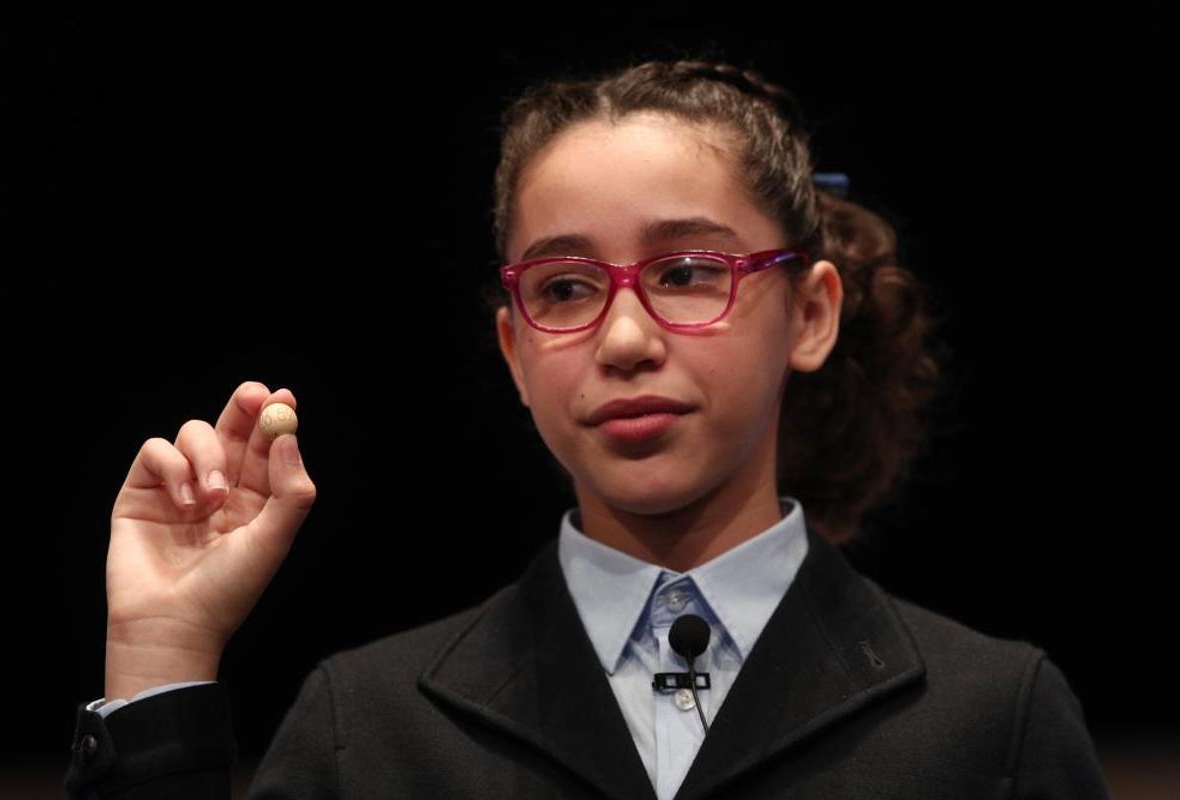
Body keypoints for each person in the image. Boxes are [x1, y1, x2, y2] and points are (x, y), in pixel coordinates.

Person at [65, 58, 1111, 799]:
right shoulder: (367, 729)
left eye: (687, 271)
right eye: (564, 287)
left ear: (811, 314)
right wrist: (161, 651)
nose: (623, 338)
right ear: (516, 350)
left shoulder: (992, 721)